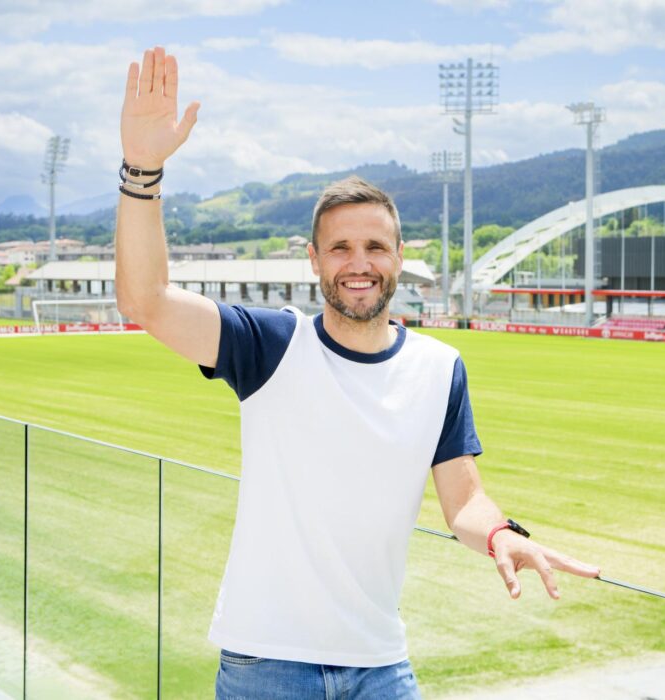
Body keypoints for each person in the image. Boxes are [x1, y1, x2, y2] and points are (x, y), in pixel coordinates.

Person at [115, 46, 601, 700]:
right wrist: (142, 169)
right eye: (340, 247)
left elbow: (464, 502)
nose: (359, 262)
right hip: (267, 667)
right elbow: (145, 301)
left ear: (401, 257)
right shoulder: (271, 345)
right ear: (314, 260)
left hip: (381, 667)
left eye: (375, 246)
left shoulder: (440, 367)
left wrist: (501, 534)